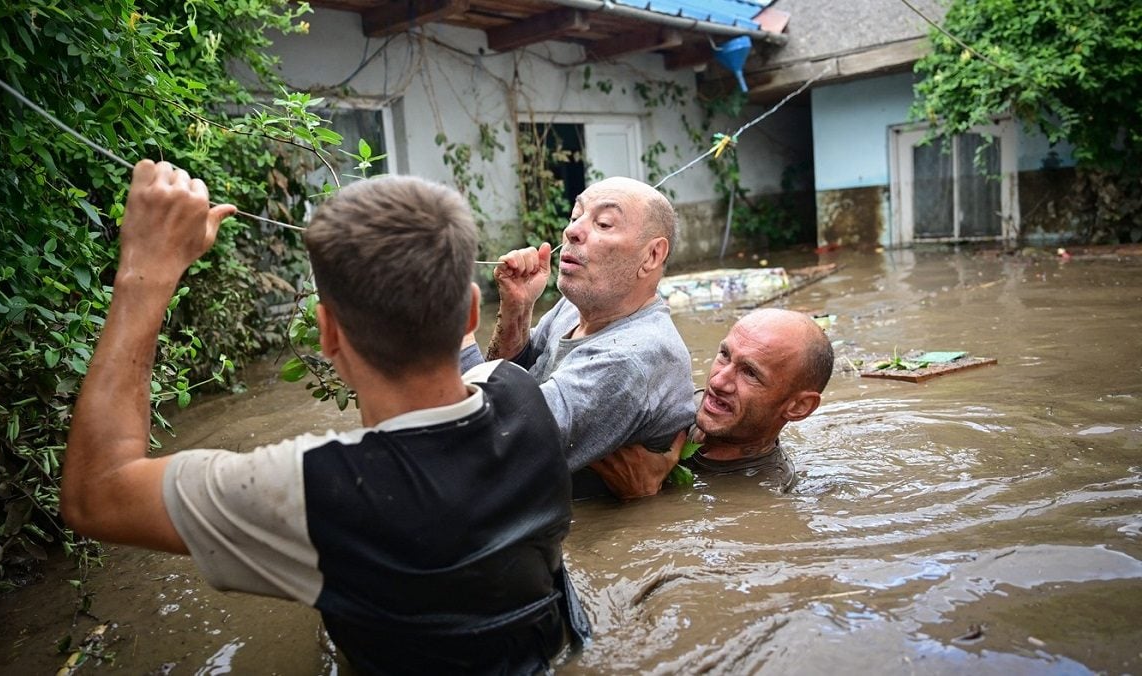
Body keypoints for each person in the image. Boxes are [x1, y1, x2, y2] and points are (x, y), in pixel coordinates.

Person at [60, 161, 589, 674]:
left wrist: (144, 273)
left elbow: (96, 493)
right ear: (472, 312)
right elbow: (478, 375)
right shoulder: (521, 392)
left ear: (328, 334)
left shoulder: (315, 489)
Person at [460, 176, 696, 498]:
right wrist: (517, 310)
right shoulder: (576, 308)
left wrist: (455, 332)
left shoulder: (631, 357)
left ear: (652, 255)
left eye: (603, 223)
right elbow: (513, 379)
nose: (572, 231)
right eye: (575, 217)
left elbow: (488, 444)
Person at [589, 308, 835, 498]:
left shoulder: (764, 497)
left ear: (798, 407)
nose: (718, 382)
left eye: (750, 373)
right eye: (724, 355)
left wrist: (641, 498)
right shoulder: (673, 402)